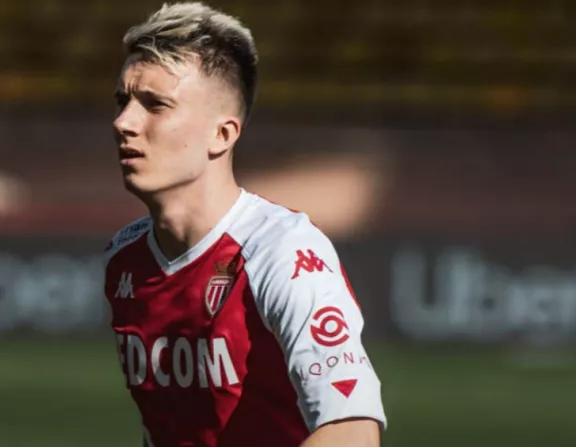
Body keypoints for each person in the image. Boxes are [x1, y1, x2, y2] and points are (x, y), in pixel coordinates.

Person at [103, 3, 386, 446]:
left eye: (155, 105)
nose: (124, 122)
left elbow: (353, 433)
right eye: (124, 101)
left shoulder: (283, 252)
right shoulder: (125, 259)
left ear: (223, 134)